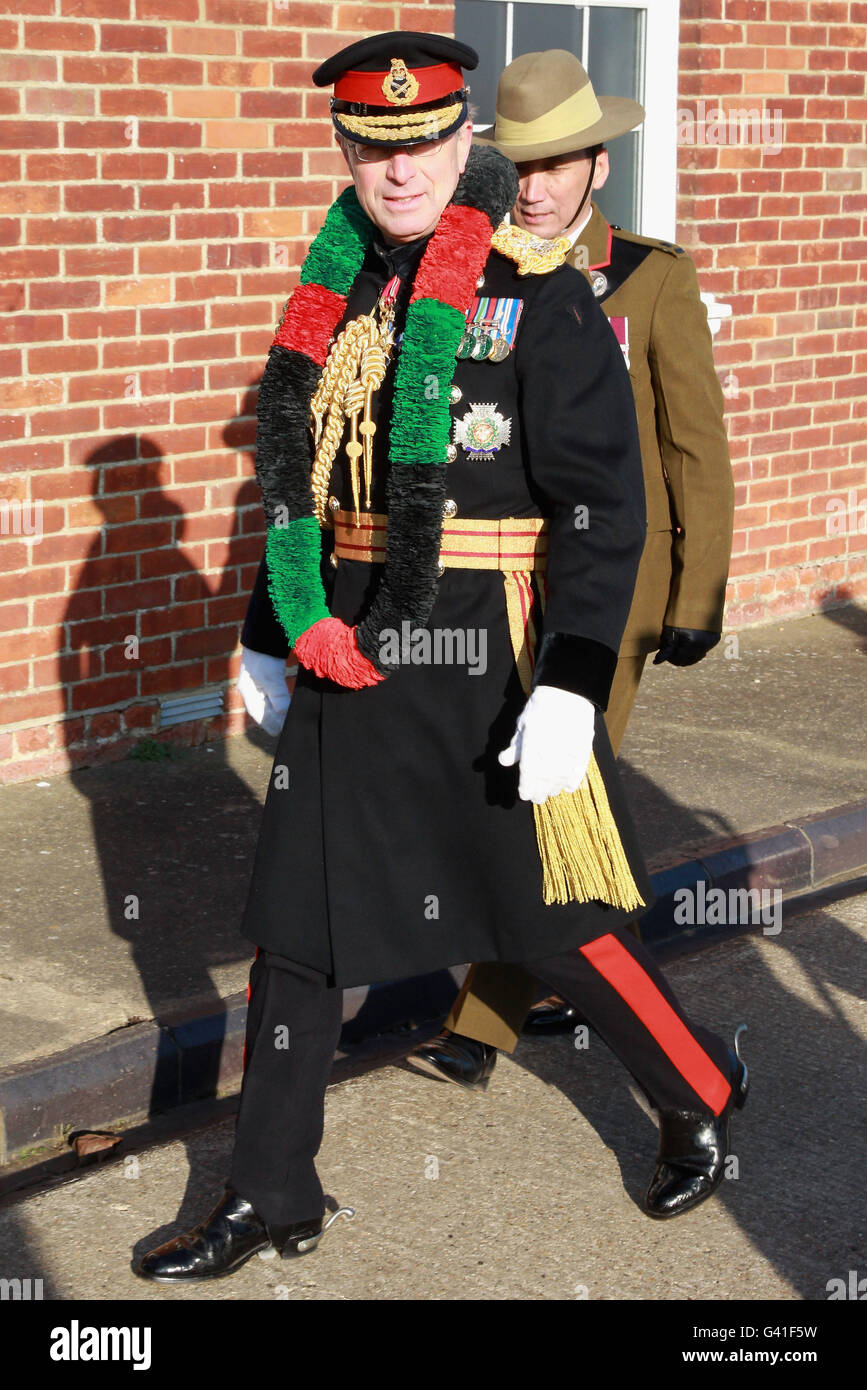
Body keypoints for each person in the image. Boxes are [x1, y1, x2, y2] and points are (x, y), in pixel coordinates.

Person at [136, 31, 746, 1286]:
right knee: (294, 925)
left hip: (489, 652)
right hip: (345, 641)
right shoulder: (336, 287)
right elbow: (300, 476)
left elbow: (601, 506)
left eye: (423, 142)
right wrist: (266, 626)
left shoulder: (541, 290)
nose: (400, 168)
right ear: (346, 149)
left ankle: (702, 1090)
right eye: (375, 144)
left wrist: (576, 679)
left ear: (467, 140)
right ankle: (271, 1191)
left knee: (553, 917)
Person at [388, 48, 736, 1086]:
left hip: (604, 598)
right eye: (520, 165)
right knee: (511, 802)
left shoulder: (651, 277)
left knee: (554, 809)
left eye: (559, 163)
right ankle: (533, 1002)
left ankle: (489, 1028)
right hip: (493, 590)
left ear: (598, 166)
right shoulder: (470, 272)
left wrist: (698, 590)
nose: (535, 188)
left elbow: (694, 448)